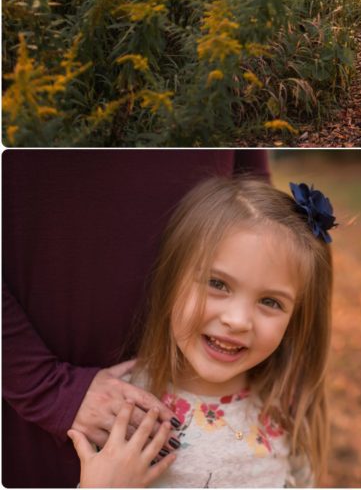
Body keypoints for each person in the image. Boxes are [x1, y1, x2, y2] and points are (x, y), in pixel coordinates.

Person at [2, 149, 269, 489]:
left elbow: (250, 182)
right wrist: (44, 385)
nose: (238, 320)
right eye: (216, 284)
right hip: (27, 401)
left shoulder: (279, 424)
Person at [68, 177, 335, 488]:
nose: (237, 321)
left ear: (296, 318)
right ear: (170, 279)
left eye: (270, 302)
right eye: (218, 284)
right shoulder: (123, 406)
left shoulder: (286, 408)